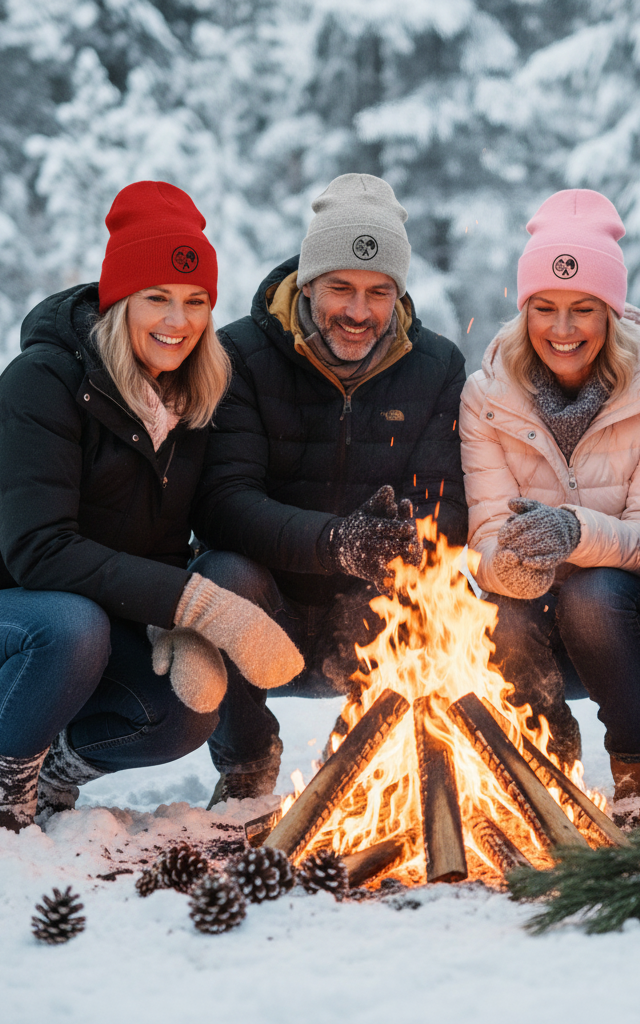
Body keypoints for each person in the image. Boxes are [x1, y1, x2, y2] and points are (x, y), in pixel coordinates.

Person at [0, 181, 302, 836]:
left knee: (184, 709)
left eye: (196, 301)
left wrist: (167, 629)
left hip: (77, 632)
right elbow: (40, 551)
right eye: (157, 297)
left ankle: (53, 776)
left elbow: (156, 547)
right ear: (119, 300)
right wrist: (197, 606)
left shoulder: (187, 404)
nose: (178, 321)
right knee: (69, 624)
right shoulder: (44, 381)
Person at [190, 173, 467, 806]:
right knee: (219, 575)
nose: (359, 312)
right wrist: (336, 542)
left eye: (379, 291)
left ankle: (364, 759)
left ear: (399, 293)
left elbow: (447, 502)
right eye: (341, 287)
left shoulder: (437, 365)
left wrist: (405, 543)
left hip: (372, 614)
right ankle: (246, 760)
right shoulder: (239, 355)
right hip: (272, 608)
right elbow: (224, 502)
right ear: (308, 282)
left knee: (441, 585)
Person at [459, 189, 640, 801]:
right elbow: (484, 533)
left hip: (629, 628)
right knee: (502, 610)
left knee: (592, 594)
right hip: (533, 630)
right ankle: (544, 759)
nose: (561, 330)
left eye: (583, 308)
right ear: (524, 309)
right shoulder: (486, 396)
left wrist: (574, 532)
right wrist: (504, 563)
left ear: (611, 312)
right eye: (544, 308)